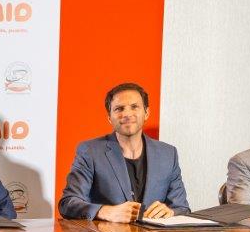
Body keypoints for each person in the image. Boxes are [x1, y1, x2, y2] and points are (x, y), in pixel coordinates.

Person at [58, 82, 189, 221]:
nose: (127, 114)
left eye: (134, 107)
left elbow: (182, 209)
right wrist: (105, 212)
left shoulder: (168, 154)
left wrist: (171, 212)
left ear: (146, 113)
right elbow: (68, 203)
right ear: (109, 118)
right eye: (119, 109)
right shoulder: (90, 151)